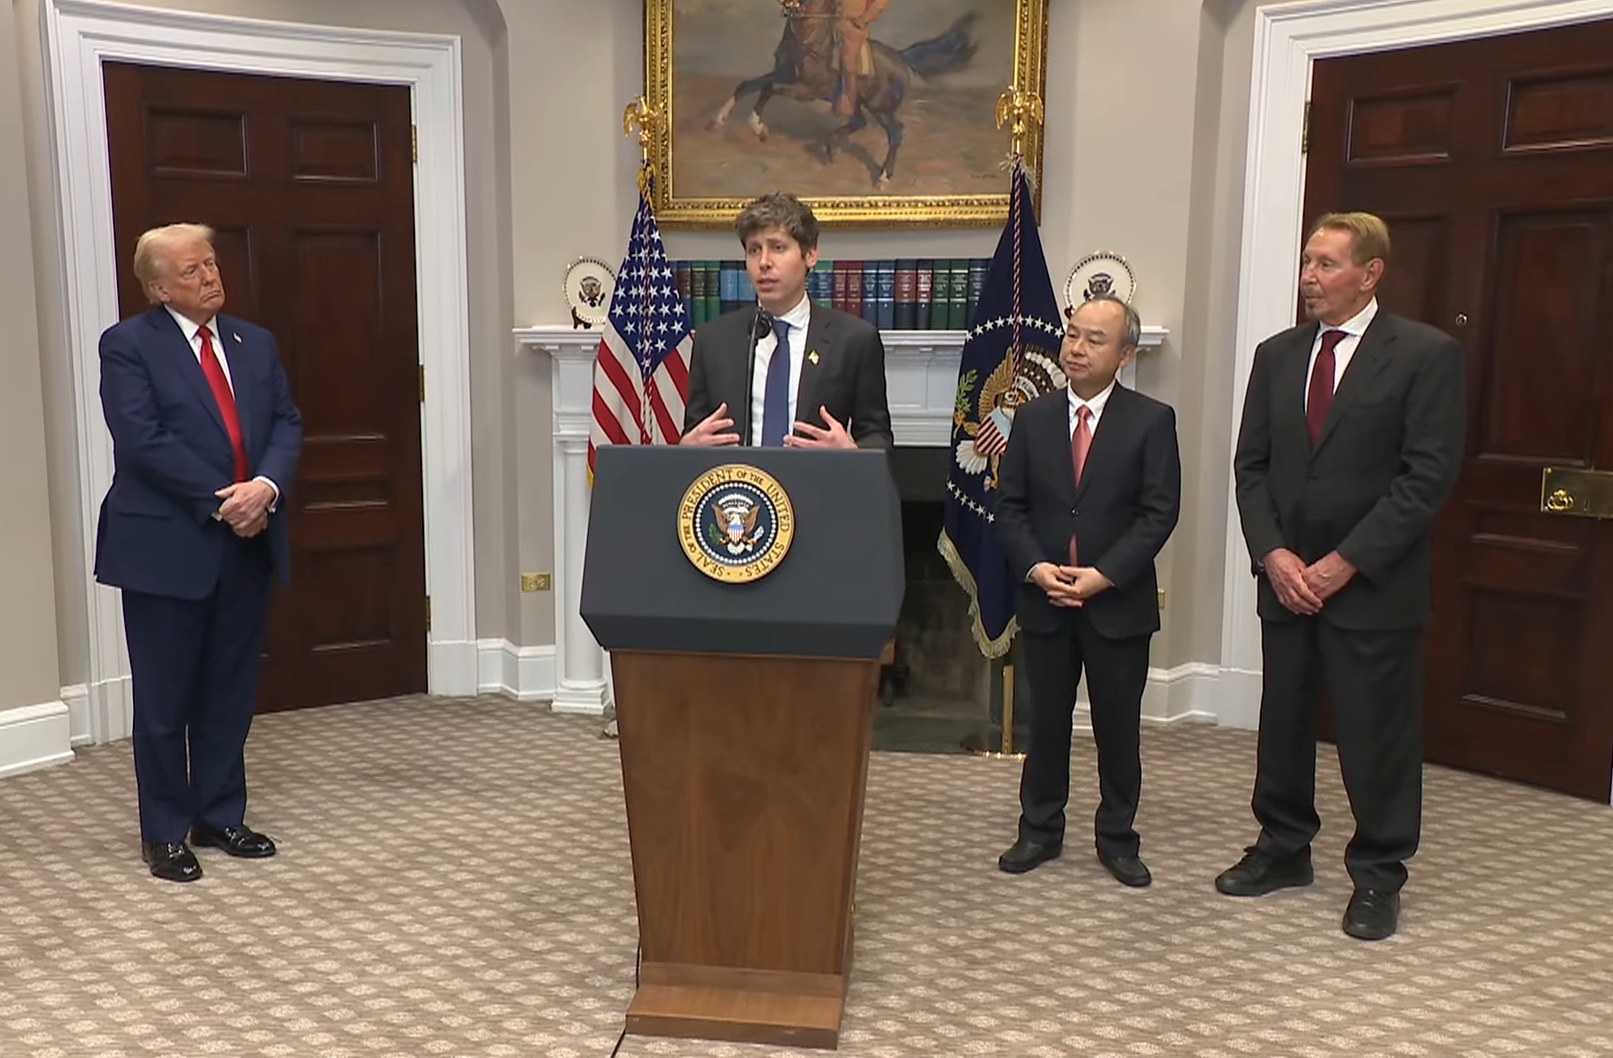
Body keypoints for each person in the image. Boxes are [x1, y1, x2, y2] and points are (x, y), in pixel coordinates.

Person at [1221, 211, 1465, 940]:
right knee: (1284, 726)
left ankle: (1378, 875)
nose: (1308, 278)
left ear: (1369, 272)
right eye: (1305, 263)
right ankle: (1282, 847)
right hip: (1286, 582)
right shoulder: (1276, 354)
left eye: (1325, 265)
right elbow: (1251, 467)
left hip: (1371, 588)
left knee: (1375, 735)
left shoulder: (1426, 355)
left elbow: (1424, 480)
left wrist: (1341, 563)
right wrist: (1274, 556)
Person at [94, 223, 303, 883]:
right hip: (166, 542)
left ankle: (219, 814)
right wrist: (226, 499)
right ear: (158, 286)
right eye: (192, 270)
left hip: (247, 543)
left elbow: (286, 423)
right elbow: (141, 439)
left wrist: (264, 489)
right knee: (165, 698)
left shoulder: (254, 342)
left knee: (228, 690)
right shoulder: (129, 345)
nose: (210, 277)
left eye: (211, 264)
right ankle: (165, 831)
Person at [993, 295, 1182, 888]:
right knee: (1046, 723)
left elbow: (1158, 513)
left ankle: (1118, 837)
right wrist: (1036, 568)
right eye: (1072, 334)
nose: (1075, 347)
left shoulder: (1152, 420)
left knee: (1116, 727)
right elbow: (1011, 506)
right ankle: (1040, 830)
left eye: (1093, 339)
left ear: (1125, 354)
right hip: (1046, 601)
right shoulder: (1033, 418)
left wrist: (1104, 576)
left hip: (1116, 604)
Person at [681, 191, 893, 449]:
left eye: (778, 248)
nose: (764, 262)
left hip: (818, 486)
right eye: (754, 250)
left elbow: (878, 437)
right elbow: (696, 432)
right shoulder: (713, 340)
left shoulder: (854, 340)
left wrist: (850, 454)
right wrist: (687, 447)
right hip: (739, 487)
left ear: (810, 255)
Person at [833, 0, 891, 116]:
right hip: (831, 20)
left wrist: (863, 19)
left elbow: (879, 4)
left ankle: (848, 100)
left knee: (848, 57)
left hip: (853, 25)